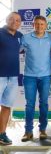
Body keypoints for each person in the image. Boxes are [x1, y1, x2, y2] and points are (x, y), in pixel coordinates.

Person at [20, 15, 51, 142]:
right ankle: (28, 131)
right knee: (29, 105)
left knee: (43, 104)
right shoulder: (26, 37)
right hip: (29, 77)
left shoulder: (50, 37)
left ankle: (42, 130)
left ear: (46, 26)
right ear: (33, 25)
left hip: (45, 76)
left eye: (42, 24)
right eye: (37, 24)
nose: (39, 26)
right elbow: (16, 51)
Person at [0, 12, 22, 145]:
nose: (15, 22)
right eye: (12, 19)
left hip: (13, 77)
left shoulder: (20, 36)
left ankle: (2, 134)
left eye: (18, 20)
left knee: (6, 106)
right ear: (6, 20)